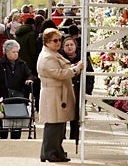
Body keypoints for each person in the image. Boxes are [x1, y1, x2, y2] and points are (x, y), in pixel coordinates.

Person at [37, 28, 84, 162]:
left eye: (59, 40)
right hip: (53, 95)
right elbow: (60, 73)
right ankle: (50, 153)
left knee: (58, 125)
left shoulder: (52, 54)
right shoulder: (47, 57)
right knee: (54, 124)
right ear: (47, 42)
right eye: (55, 41)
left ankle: (56, 151)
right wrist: (76, 69)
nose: (58, 43)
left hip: (58, 94)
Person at [0, 40, 34, 139]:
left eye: (17, 52)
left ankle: (16, 137)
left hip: (19, 95)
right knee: (4, 120)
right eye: (14, 52)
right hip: (4, 94)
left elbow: (29, 74)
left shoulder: (22, 64)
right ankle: (2, 136)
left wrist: (29, 79)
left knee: (17, 121)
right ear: (7, 52)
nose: (16, 54)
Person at [59, 36, 94, 144]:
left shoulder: (83, 58)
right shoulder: (60, 58)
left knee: (76, 118)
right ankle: (61, 140)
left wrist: (87, 91)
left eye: (71, 45)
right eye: (66, 45)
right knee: (62, 118)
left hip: (78, 91)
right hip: (63, 92)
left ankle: (75, 141)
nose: (69, 47)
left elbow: (90, 76)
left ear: (75, 46)